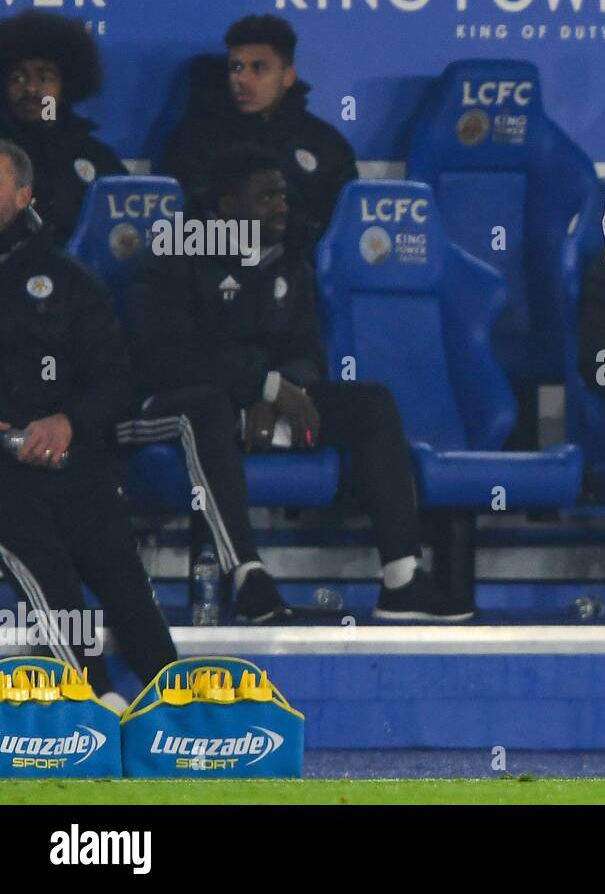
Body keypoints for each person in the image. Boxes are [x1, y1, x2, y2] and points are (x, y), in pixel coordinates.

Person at [119, 147, 468, 624]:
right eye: (266, 197)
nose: (282, 206)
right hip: (154, 410)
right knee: (206, 408)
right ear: (226, 207)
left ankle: (402, 580)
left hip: (255, 406)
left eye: (282, 195)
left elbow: (307, 354)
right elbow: (166, 358)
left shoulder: (289, 261)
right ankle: (248, 578)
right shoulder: (174, 254)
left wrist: (281, 392)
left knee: (371, 404)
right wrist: (262, 387)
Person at [0, 140, 175, 706]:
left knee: (124, 581)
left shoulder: (70, 282)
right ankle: (94, 703)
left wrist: (68, 423)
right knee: (49, 572)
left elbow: (118, 383)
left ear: (23, 195)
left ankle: (177, 706)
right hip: (3, 479)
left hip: (74, 465)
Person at [162, 14, 356, 247]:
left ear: (287, 76)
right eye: (236, 67)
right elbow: (183, 220)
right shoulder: (196, 139)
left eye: (258, 68)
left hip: (301, 275)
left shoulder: (325, 144)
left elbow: (345, 230)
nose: (241, 79)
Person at [0, 10, 127, 245]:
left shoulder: (97, 158)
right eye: (17, 78)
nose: (31, 89)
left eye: (45, 77)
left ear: (66, 86)